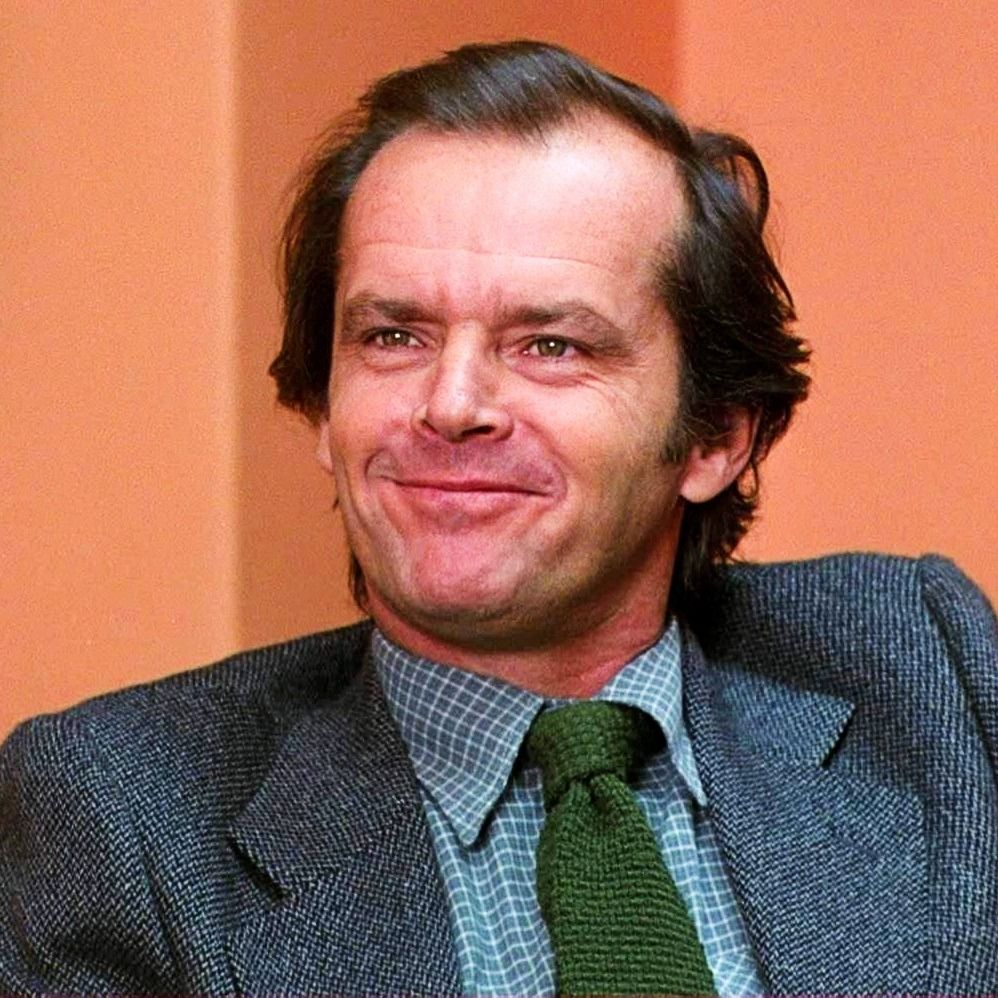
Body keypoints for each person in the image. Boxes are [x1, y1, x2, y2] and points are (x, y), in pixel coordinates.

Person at [1, 40, 995, 997]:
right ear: (322, 412)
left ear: (714, 436)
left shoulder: (925, 673)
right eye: (393, 336)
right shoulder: (123, 813)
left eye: (550, 345)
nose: (451, 404)